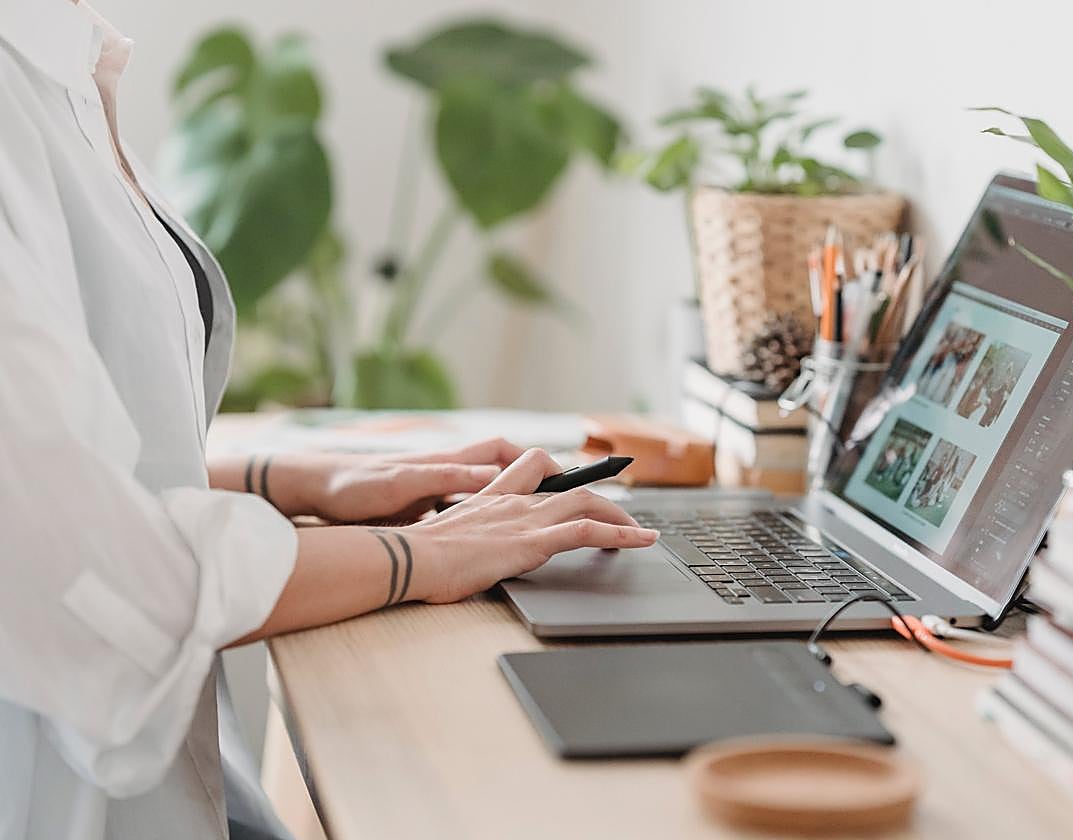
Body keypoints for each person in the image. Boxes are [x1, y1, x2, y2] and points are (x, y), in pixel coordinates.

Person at [0, 2, 659, 839]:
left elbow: (55, 470)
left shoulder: (61, 53)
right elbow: (107, 589)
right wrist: (423, 555)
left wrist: (297, 481)